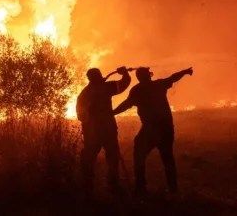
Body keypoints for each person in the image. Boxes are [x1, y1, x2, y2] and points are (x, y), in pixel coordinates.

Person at [112, 66, 193, 196]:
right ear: (149, 75)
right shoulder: (159, 85)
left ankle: (141, 188)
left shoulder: (137, 90)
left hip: (150, 129)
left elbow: (127, 104)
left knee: (139, 155)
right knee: (168, 158)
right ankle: (173, 189)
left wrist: (112, 112)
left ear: (138, 77)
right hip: (166, 128)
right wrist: (185, 72)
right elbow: (173, 77)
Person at [76, 66, 131, 195]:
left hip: (92, 133)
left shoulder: (84, 94)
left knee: (89, 158)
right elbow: (124, 84)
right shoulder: (106, 88)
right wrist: (125, 73)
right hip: (107, 130)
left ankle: (88, 187)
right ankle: (113, 186)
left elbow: (80, 115)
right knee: (112, 157)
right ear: (98, 77)